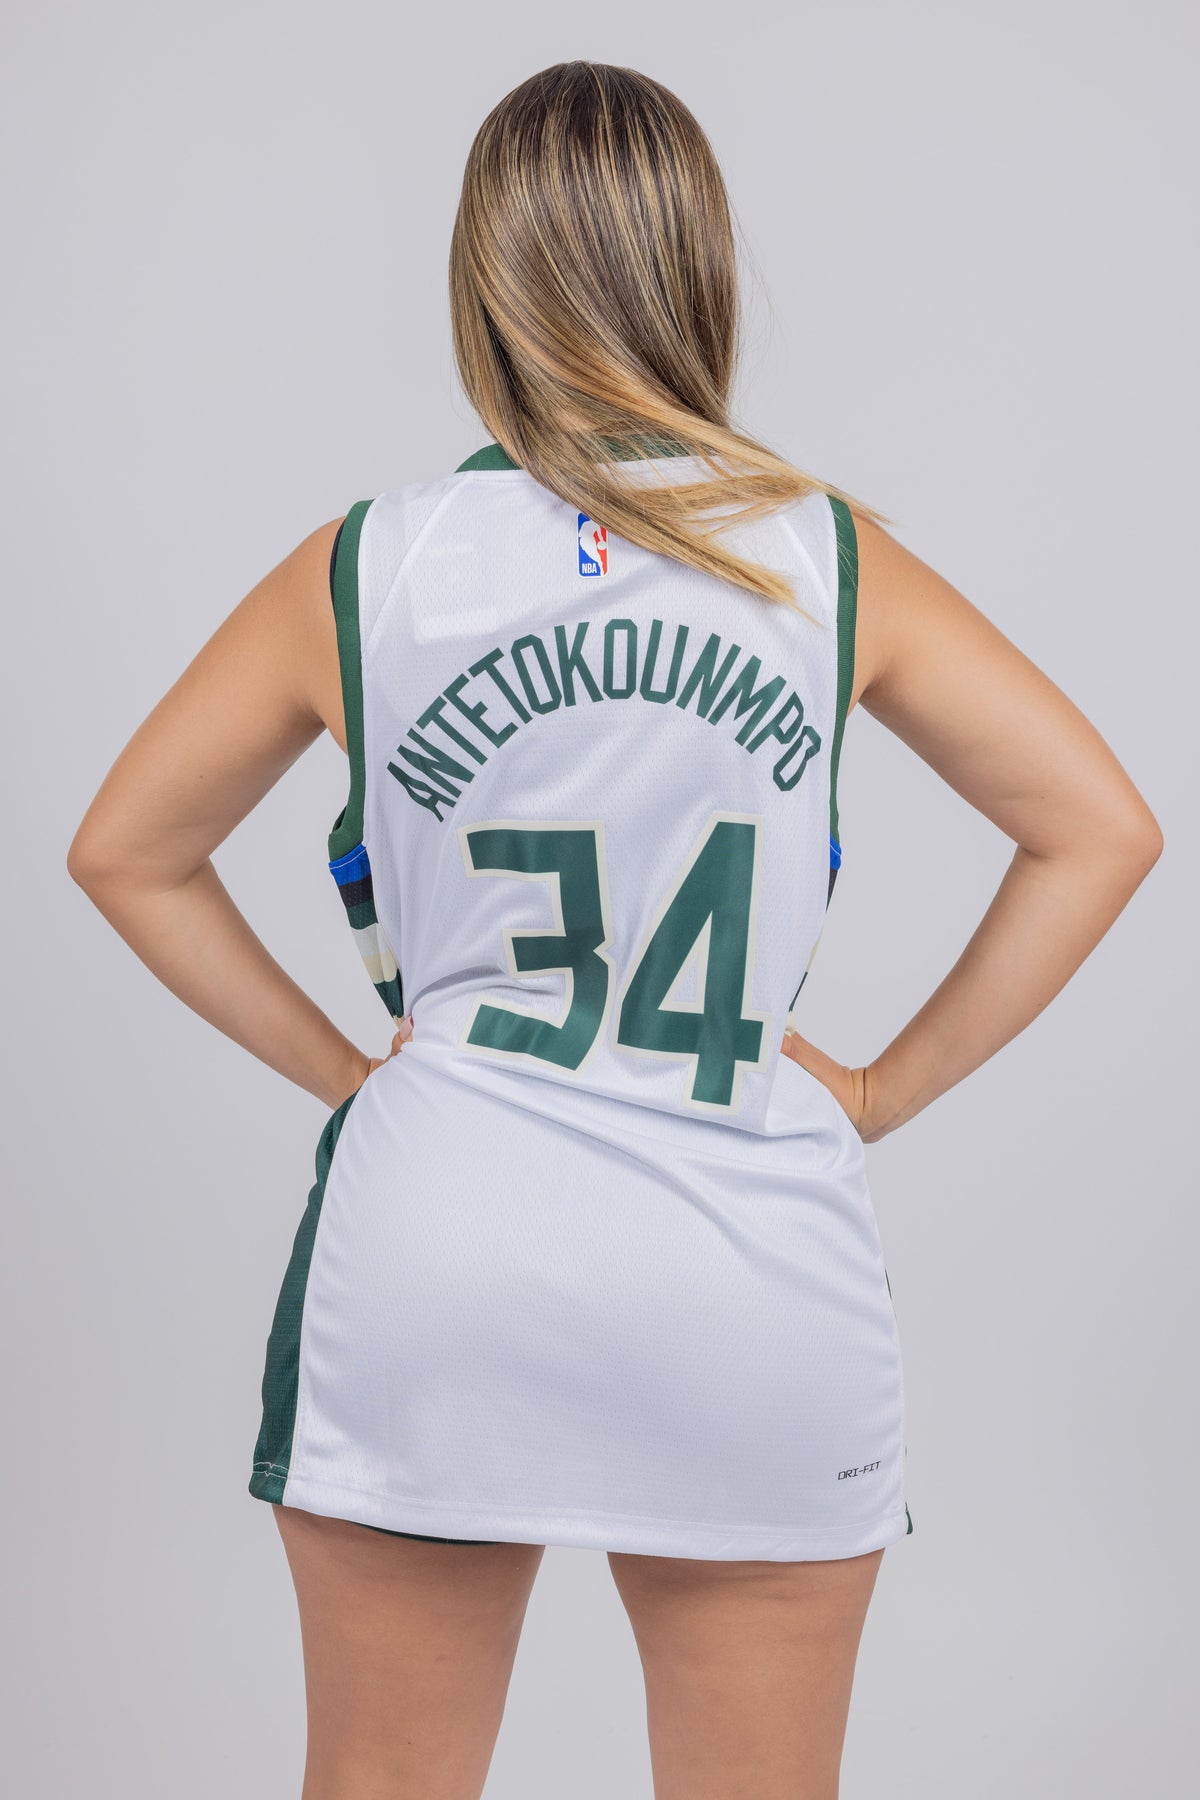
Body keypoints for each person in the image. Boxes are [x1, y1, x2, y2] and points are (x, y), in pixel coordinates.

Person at [66, 58, 1162, 1800]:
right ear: (700, 272)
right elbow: (1103, 829)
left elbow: (126, 851)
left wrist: (353, 1078)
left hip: (437, 1252)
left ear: (480, 286)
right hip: (751, 1273)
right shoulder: (822, 560)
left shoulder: (370, 567)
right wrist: (878, 1092)